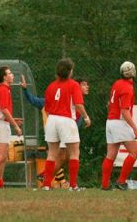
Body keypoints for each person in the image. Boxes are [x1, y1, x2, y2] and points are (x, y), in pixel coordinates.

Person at [23, 76, 90, 187]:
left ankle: (46, 179)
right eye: (84, 84)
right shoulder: (62, 99)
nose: (87, 87)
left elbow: (77, 122)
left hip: (62, 132)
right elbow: (35, 101)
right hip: (57, 132)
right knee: (66, 156)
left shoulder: (76, 101)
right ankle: (58, 182)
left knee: (65, 157)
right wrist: (25, 90)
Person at [41, 58, 91, 191]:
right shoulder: (73, 84)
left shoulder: (51, 86)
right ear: (69, 71)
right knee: (74, 153)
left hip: (51, 120)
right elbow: (78, 104)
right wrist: (86, 117)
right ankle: (73, 186)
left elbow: (46, 108)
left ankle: (46, 185)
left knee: (52, 154)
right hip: (66, 120)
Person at [101, 61, 137, 191]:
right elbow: (124, 111)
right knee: (134, 152)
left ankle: (105, 184)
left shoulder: (117, 84)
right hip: (120, 122)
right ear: (133, 72)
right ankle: (121, 181)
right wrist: (135, 129)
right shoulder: (127, 88)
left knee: (110, 155)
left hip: (110, 121)